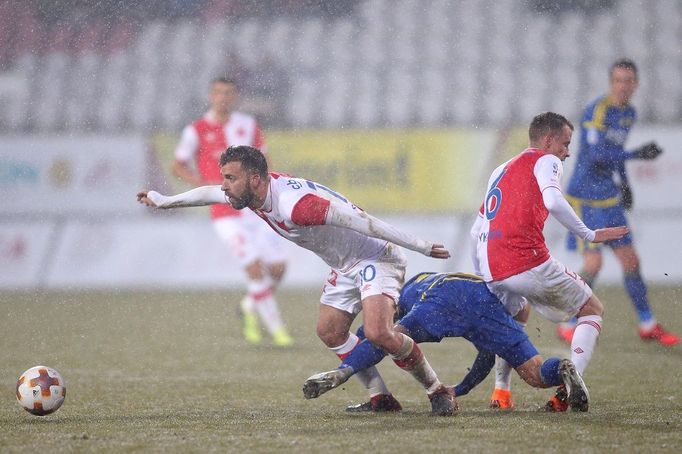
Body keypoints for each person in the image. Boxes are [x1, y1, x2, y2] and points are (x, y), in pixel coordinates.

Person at [137, 145, 458, 416]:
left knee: (377, 332)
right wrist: (164, 201)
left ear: (254, 179)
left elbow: (364, 221)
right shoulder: (253, 194)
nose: (224, 186)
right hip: (344, 266)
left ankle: (437, 389)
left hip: (376, 257)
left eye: (230, 178)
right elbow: (209, 192)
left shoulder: (297, 207)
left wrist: (421, 245)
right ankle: (382, 399)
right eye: (224, 178)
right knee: (330, 331)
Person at [470, 112, 628, 411]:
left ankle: (501, 394)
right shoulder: (547, 160)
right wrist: (589, 233)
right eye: (565, 144)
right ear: (548, 140)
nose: (567, 152)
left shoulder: (501, 169)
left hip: (493, 267)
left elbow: (477, 228)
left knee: (514, 317)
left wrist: (484, 275)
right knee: (592, 310)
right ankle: (570, 388)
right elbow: (554, 201)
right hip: (525, 260)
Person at [303, 271, 590, 412]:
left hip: (442, 298)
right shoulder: (457, 277)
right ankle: (562, 369)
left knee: (387, 338)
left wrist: (350, 363)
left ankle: (343, 373)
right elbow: (487, 356)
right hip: (486, 299)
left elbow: (377, 332)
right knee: (535, 373)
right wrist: (460, 390)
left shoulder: (405, 290)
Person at [562, 58, 678, 347]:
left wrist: (625, 183)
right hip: (585, 197)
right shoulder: (597, 111)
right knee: (594, 263)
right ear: (610, 83)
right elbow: (599, 154)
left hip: (608, 197)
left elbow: (616, 151)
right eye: (618, 80)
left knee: (631, 260)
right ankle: (568, 320)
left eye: (628, 80)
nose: (623, 86)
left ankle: (647, 324)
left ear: (636, 84)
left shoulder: (629, 114)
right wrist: (636, 155)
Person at [172, 77, 293, 347]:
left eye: (228, 93)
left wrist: (269, 188)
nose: (223, 97)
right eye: (218, 93)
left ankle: (249, 307)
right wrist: (201, 184)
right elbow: (178, 165)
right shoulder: (196, 130)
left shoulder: (248, 125)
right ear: (210, 96)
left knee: (278, 267)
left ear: (235, 96)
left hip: (253, 208)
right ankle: (278, 331)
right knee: (253, 267)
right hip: (224, 213)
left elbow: (264, 161)